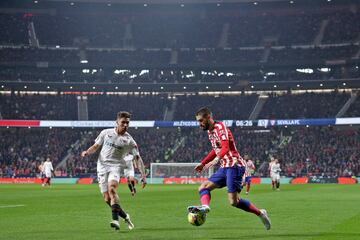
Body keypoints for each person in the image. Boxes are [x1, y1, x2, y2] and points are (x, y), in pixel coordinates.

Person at [188, 107, 271, 230]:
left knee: (233, 202)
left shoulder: (220, 128)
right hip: (225, 166)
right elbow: (216, 149)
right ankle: (205, 207)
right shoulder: (210, 132)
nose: (199, 124)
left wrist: (216, 160)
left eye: (201, 121)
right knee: (203, 187)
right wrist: (203, 163)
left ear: (208, 118)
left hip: (234, 165)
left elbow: (225, 148)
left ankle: (260, 213)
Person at [81, 111, 147, 231]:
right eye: (123, 122)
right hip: (101, 167)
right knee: (107, 198)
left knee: (112, 189)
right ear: (117, 122)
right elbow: (96, 146)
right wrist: (87, 152)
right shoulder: (106, 133)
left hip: (116, 166)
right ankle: (125, 216)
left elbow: (137, 158)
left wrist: (143, 175)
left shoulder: (130, 141)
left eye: (127, 123)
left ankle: (115, 220)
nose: (125, 125)